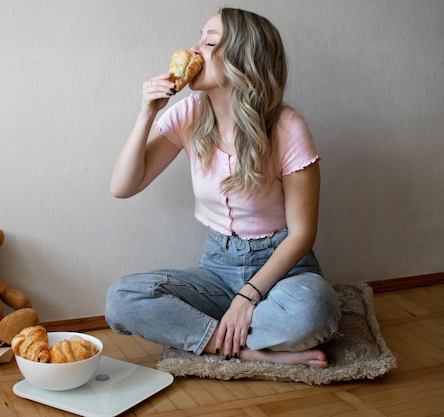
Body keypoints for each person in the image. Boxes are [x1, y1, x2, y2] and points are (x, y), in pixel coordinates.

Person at [105, 8, 341, 367]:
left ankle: (206, 337)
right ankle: (247, 350)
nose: (195, 48)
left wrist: (248, 297)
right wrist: (146, 113)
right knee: (122, 298)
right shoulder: (189, 113)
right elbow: (123, 186)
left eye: (210, 41)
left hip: (283, 269)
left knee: (314, 308)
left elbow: (302, 234)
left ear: (243, 60)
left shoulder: (286, 127)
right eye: (199, 36)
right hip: (217, 267)